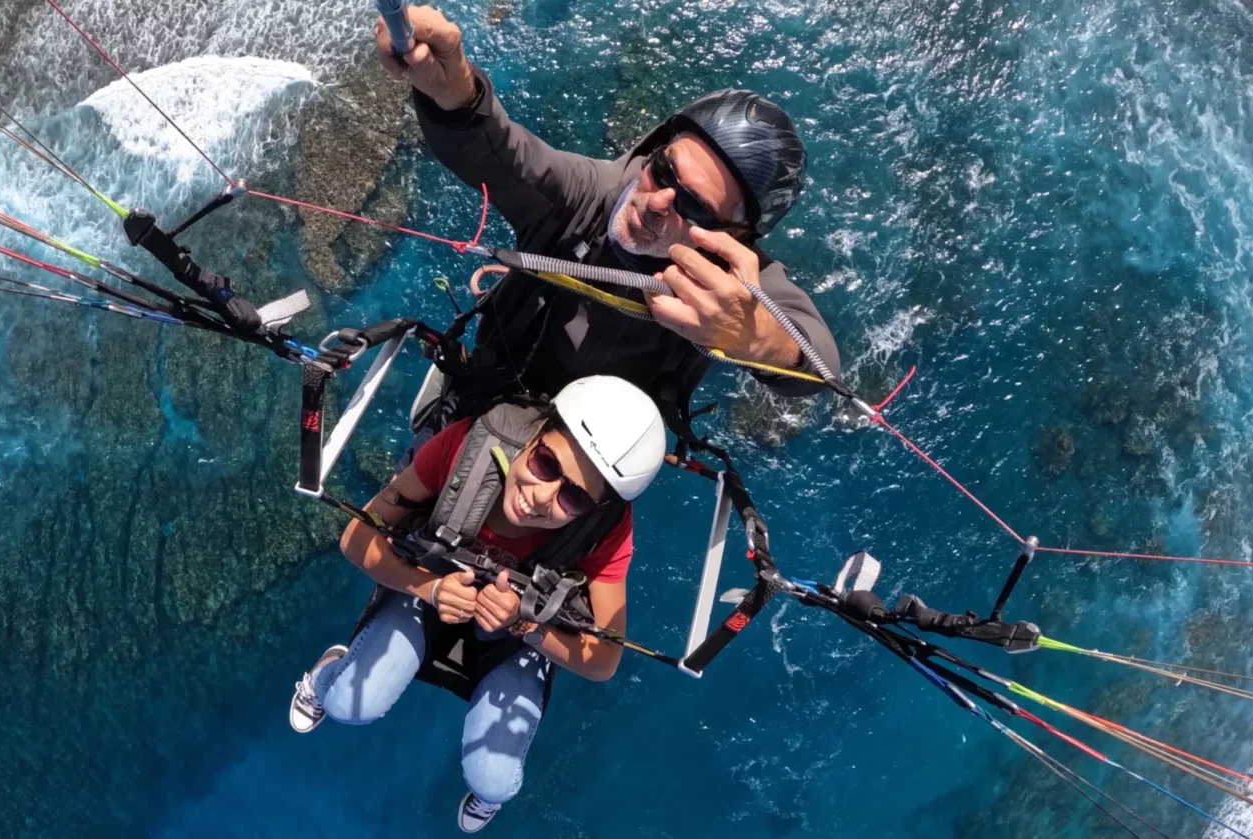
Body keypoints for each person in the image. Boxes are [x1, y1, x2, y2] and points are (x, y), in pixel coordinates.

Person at [374, 6, 843, 442]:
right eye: (663, 170)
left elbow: (821, 362)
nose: (657, 201)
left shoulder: (736, 286)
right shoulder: (589, 195)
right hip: (492, 387)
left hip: (594, 454)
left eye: (694, 207)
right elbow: (500, 152)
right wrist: (451, 90)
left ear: (734, 237)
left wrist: (762, 340)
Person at [289, 376, 667, 833]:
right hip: (427, 591)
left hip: (515, 631)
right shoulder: (468, 444)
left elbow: (604, 660)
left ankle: (488, 793)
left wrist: (525, 625)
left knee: (495, 781)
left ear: (595, 509)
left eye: (573, 497)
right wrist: (426, 587)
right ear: (533, 436)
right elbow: (357, 537)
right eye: (546, 463)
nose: (540, 498)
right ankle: (329, 673)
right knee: (351, 706)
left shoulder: (607, 528)